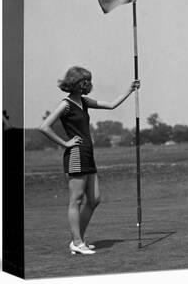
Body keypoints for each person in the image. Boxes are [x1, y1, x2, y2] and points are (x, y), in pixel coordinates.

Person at [40, 66, 140, 254]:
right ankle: (77, 243)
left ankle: (78, 241)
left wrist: (130, 89)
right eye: (82, 80)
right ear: (73, 83)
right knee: (76, 199)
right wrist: (65, 143)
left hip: (87, 153)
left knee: (94, 199)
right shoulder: (66, 104)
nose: (86, 83)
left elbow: (111, 105)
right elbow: (44, 127)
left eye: (88, 80)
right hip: (76, 154)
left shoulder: (84, 102)